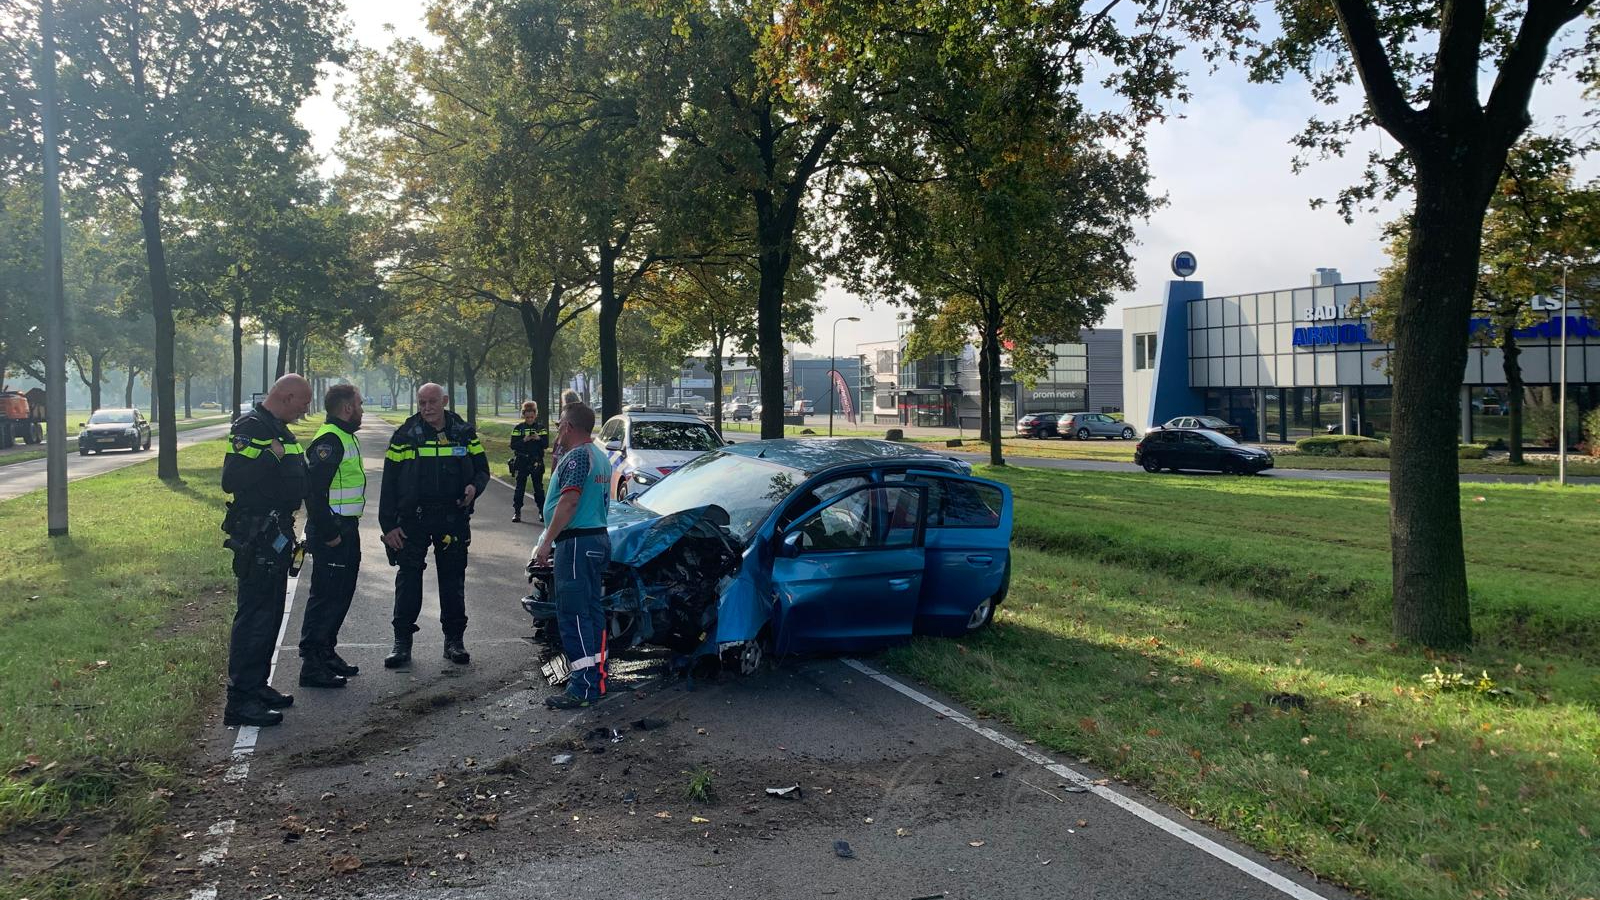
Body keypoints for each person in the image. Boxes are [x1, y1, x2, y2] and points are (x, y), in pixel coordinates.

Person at [220, 374, 312, 727]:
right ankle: (240, 700)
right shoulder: (252, 426)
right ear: (286, 396)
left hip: (278, 532)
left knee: (271, 613)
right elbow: (232, 479)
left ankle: (257, 687)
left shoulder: (278, 428)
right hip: (257, 534)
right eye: (303, 403)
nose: (306, 410)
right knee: (254, 616)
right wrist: (270, 458)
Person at [378, 383, 489, 668]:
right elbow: (389, 483)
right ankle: (402, 642)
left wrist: (474, 488)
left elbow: (482, 470)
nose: (426, 408)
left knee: (453, 580)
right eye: (421, 402)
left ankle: (454, 641)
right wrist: (388, 525)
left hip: (452, 516)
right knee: (409, 579)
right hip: (412, 519)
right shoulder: (405, 435)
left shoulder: (463, 432)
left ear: (445, 401)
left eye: (432, 402)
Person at [532, 401, 613, 709]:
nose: (557, 433)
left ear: (568, 426)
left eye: (559, 427)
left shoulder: (577, 457)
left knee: (573, 614)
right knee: (592, 611)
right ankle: (597, 677)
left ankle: (582, 687)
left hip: (576, 544)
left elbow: (568, 503)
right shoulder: (600, 457)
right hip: (596, 540)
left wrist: (546, 542)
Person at [298, 383, 366, 689]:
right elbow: (314, 492)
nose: (362, 410)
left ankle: (326, 651)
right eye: (360, 404)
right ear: (347, 407)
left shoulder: (344, 436)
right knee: (325, 597)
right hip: (334, 531)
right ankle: (312, 665)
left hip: (346, 527)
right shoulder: (330, 439)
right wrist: (329, 534)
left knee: (341, 594)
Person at [508, 400, 548, 523]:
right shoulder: (518, 429)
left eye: (532, 417)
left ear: (535, 415)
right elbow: (513, 445)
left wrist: (538, 438)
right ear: (523, 415)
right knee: (520, 488)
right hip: (522, 461)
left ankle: (542, 512)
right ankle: (517, 512)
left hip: (536, 462)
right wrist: (524, 440)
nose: (530, 419)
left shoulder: (541, 428)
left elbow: (546, 445)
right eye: (527, 417)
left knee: (538, 488)